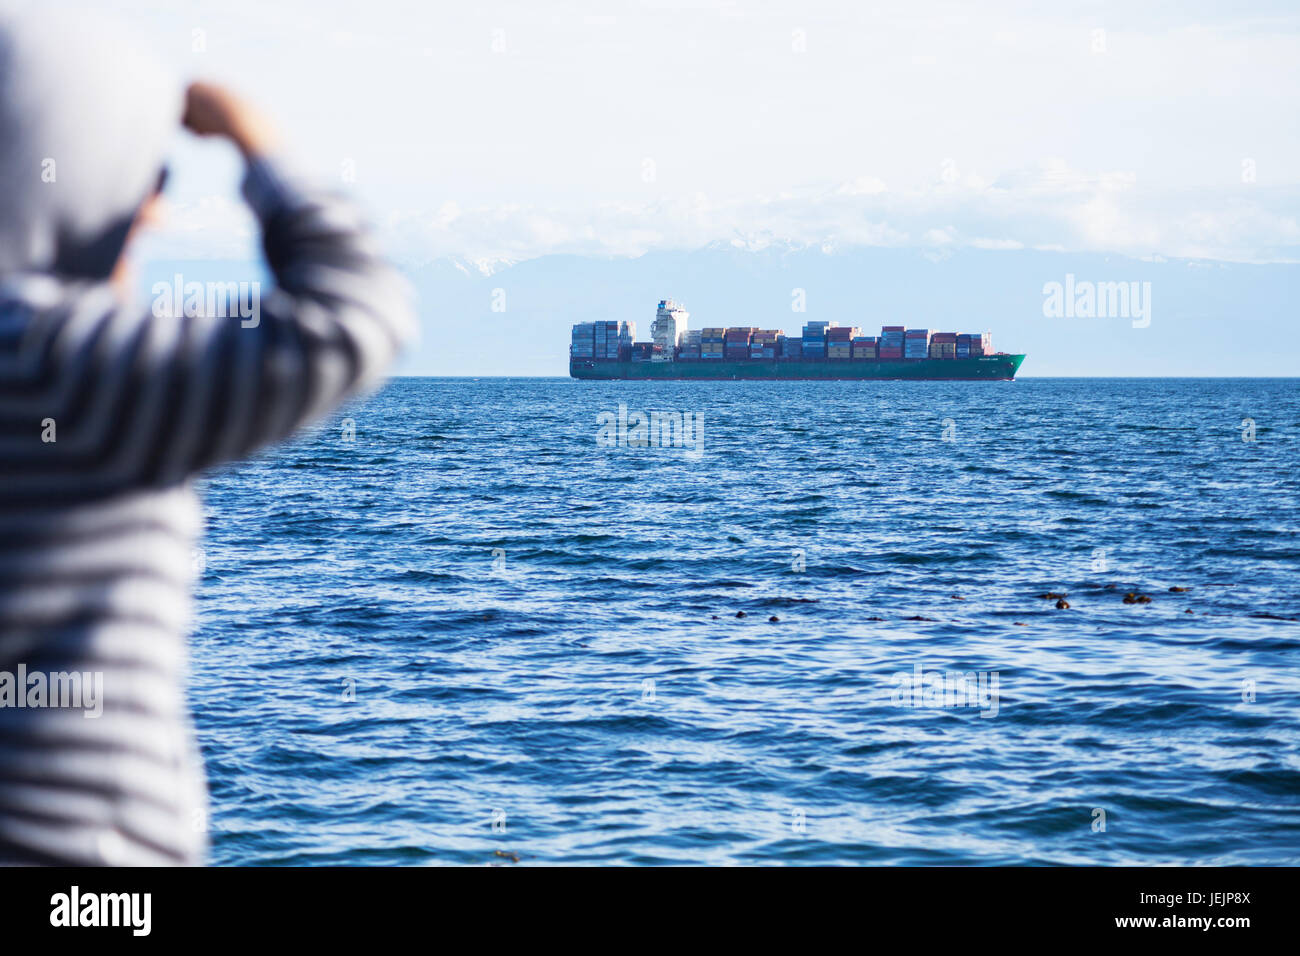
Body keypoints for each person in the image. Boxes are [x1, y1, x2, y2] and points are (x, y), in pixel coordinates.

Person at [0, 14, 415, 864]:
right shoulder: (56, 362)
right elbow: (352, 319)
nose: (153, 208)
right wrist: (255, 147)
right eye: (139, 174)